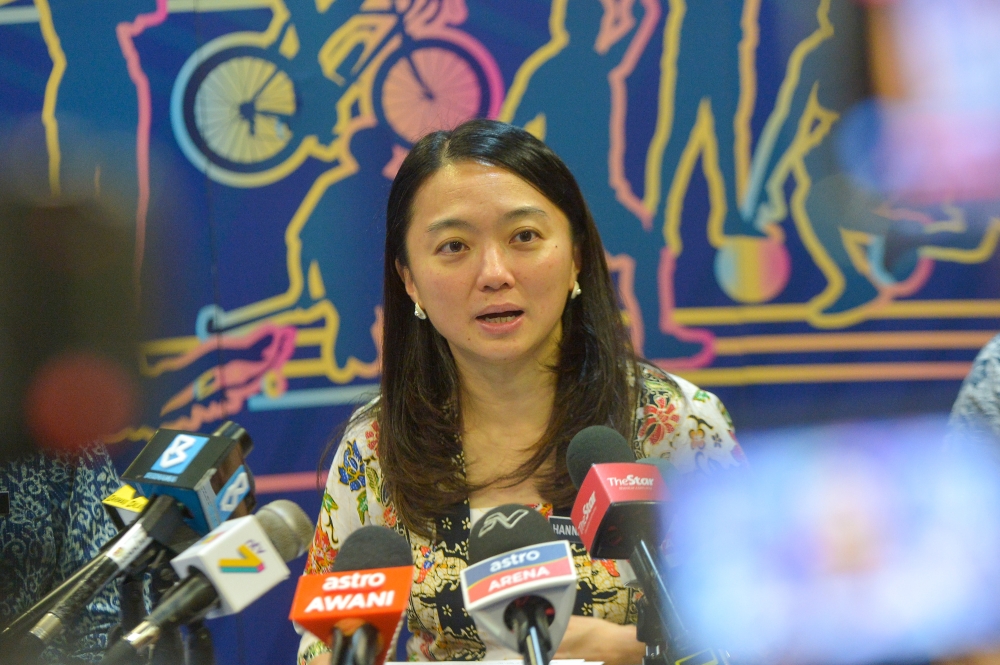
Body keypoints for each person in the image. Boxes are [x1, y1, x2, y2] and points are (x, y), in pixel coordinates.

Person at [298, 119, 746, 665]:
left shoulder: (677, 425)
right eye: (454, 245)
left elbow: (768, 631)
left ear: (576, 254)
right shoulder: (375, 448)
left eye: (525, 237)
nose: (494, 273)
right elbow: (324, 649)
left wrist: (627, 651)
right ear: (409, 279)